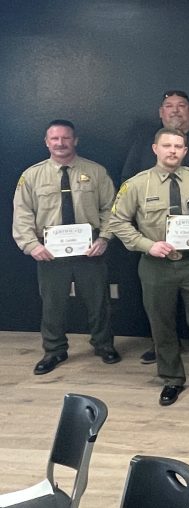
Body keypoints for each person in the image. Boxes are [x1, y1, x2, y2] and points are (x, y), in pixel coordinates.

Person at [108, 127, 189, 406]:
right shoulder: (137, 184)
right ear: (155, 149)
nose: (173, 150)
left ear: (185, 151)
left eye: (178, 146)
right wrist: (147, 245)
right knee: (162, 324)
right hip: (156, 265)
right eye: (167, 145)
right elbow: (117, 221)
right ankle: (172, 378)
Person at [121, 90, 189, 364]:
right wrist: (145, 244)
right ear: (156, 149)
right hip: (156, 255)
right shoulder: (141, 157)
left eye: (181, 105)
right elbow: (122, 206)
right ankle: (166, 360)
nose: (175, 110)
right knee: (160, 316)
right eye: (169, 106)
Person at [13, 119, 119, 374]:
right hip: (49, 252)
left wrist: (104, 238)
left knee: (99, 301)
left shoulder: (96, 171)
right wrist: (31, 246)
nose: (60, 143)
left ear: (75, 140)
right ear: (46, 142)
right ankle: (54, 350)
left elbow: (112, 209)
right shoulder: (31, 176)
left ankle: (104, 344)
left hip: (90, 249)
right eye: (55, 138)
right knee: (53, 304)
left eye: (66, 138)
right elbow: (22, 214)